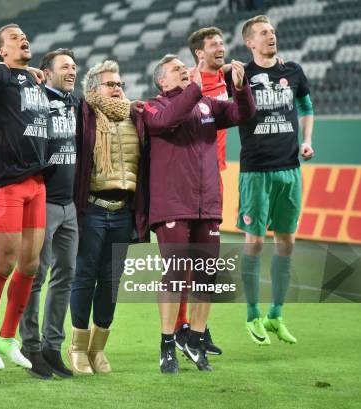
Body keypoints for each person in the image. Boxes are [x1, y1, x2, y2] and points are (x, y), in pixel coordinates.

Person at [144, 54, 255, 374]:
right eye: (176, 70)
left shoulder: (207, 104)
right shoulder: (152, 107)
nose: (184, 72)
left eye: (185, 68)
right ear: (161, 81)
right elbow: (166, 122)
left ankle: (194, 338)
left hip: (207, 205)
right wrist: (193, 89)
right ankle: (167, 344)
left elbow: (243, 114)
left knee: (206, 277)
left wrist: (240, 87)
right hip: (172, 205)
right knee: (175, 275)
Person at [0, 23, 50, 370]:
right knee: (4, 262)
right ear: (2, 51)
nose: (23, 38)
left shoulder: (33, 79)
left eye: (24, 34)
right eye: (14, 37)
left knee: (31, 265)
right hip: (6, 182)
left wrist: (28, 73)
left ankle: (6, 337)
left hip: (37, 182)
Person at [234, 15, 314, 346]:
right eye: (264, 33)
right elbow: (212, 75)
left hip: (289, 169)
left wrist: (307, 140)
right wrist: (229, 70)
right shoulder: (241, 75)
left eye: (273, 32)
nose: (272, 36)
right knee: (254, 242)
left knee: (287, 241)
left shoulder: (292, 71)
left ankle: (276, 314)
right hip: (255, 172)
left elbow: (306, 107)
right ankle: (252, 314)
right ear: (249, 42)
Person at [68, 60, 148, 375]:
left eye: (120, 84)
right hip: (93, 209)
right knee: (84, 277)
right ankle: (77, 348)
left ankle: (97, 349)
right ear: (94, 89)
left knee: (111, 283)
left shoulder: (136, 117)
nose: (118, 89)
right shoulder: (84, 114)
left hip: (124, 212)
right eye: (110, 84)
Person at [165, 26, 232, 356]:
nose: (221, 47)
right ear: (198, 53)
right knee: (186, 264)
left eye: (222, 42)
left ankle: (198, 330)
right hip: (189, 179)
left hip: (214, 176)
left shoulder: (226, 78)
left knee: (206, 263)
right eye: (214, 44)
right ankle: (181, 328)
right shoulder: (191, 84)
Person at [19, 48, 78, 379]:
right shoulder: (36, 100)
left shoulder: (74, 102)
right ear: (46, 72)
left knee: (66, 274)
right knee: (36, 274)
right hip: (43, 200)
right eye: (65, 67)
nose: (72, 71)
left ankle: (53, 346)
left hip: (69, 205)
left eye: (74, 66)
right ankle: (32, 345)